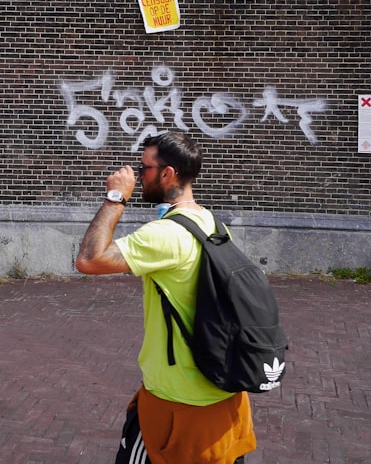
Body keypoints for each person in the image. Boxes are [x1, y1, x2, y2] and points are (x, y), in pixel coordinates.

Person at [75, 131, 256, 464]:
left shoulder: (165, 235)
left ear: (167, 173)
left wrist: (115, 196)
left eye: (144, 169)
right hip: (224, 395)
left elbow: (88, 259)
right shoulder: (212, 224)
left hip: (177, 407)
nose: (138, 176)